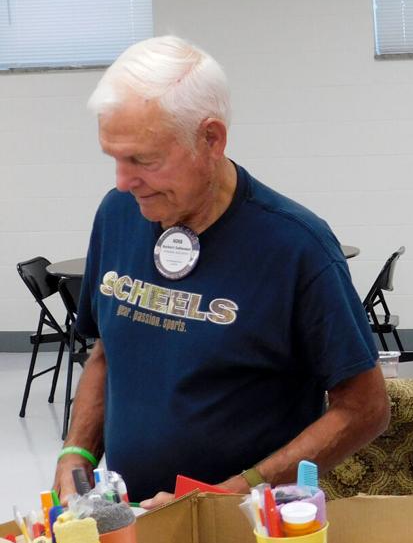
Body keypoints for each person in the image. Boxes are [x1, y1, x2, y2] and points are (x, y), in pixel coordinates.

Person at [52, 36, 390, 508]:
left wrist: (237, 491)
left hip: (249, 526)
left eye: (142, 160)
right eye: (114, 158)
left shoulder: (297, 247)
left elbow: (365, 408)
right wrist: (76, 453)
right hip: (135, 522)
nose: (123, 181)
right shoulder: (119, 213)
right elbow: (110, 351)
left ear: (211, 139)